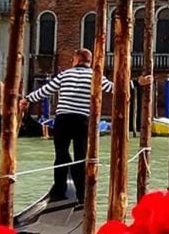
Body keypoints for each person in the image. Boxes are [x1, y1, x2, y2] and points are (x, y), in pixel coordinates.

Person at [20, 49, 114, 203]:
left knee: (61, 155)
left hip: (63, 119)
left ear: (76, 60)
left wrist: (27, 99)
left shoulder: (65, 74)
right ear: (89, 61)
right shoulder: (95, 75)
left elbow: (46, 90)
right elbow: (114, 88)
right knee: (80, 158)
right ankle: (82, 196)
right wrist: (137, 83)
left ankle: (59, 192)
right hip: (82, 120)